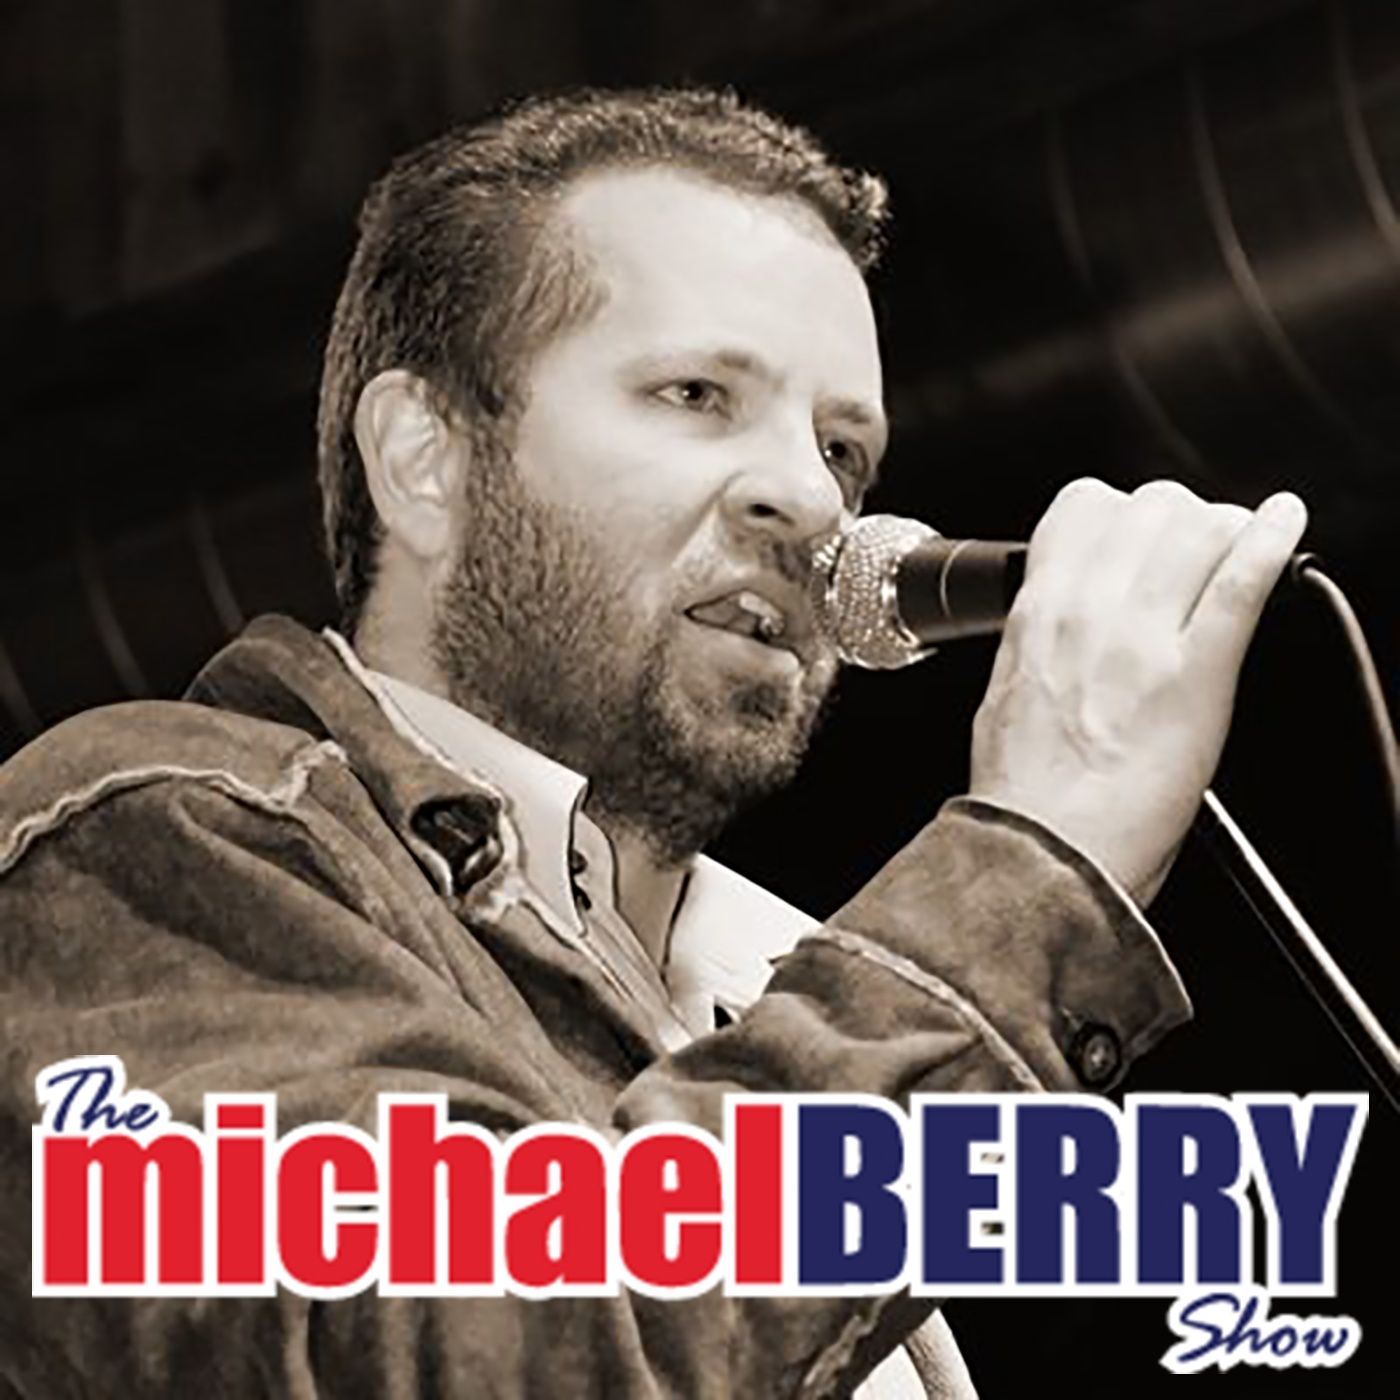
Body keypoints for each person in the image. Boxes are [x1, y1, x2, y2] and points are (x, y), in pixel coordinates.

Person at [0, 87, 1306, 1397]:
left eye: (843, 450)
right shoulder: (151, 836)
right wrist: (1028, 867)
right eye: (697, 394)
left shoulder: (772, 979)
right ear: (423, 458)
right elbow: (502, 1362)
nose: (810, 498)